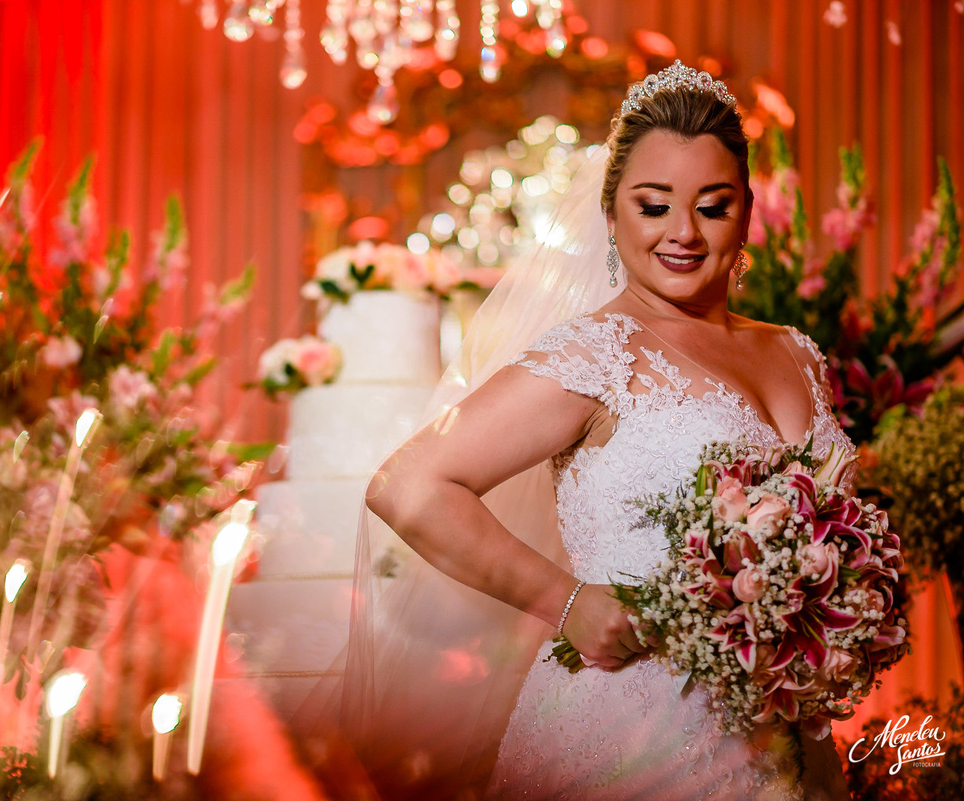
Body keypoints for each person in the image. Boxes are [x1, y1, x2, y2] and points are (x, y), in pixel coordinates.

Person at [348, 62, 852, 800]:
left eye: (713, 207)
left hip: (785, 725)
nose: (683, 232)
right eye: (654, 206)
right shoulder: (596, 353)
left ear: (747, 211)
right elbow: (408, 484)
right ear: (612, 214)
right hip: (630, 726)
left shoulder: (796, 352)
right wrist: (566, 599)